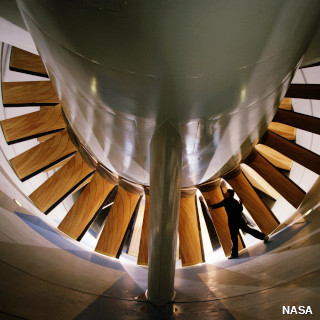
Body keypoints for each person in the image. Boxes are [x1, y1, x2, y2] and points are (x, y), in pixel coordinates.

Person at [210, 189, 269, 259]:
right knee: (249, 230)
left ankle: (234, 254)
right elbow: (240, 209)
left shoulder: (226, 201)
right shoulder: (234, 201)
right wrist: (240, 202)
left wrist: (210, 205)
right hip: (239, 219)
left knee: (234, 237)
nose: (225, 193)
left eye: (226, 192)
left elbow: (217, 205)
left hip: (232, 221)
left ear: (229, 194)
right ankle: (264, 236)